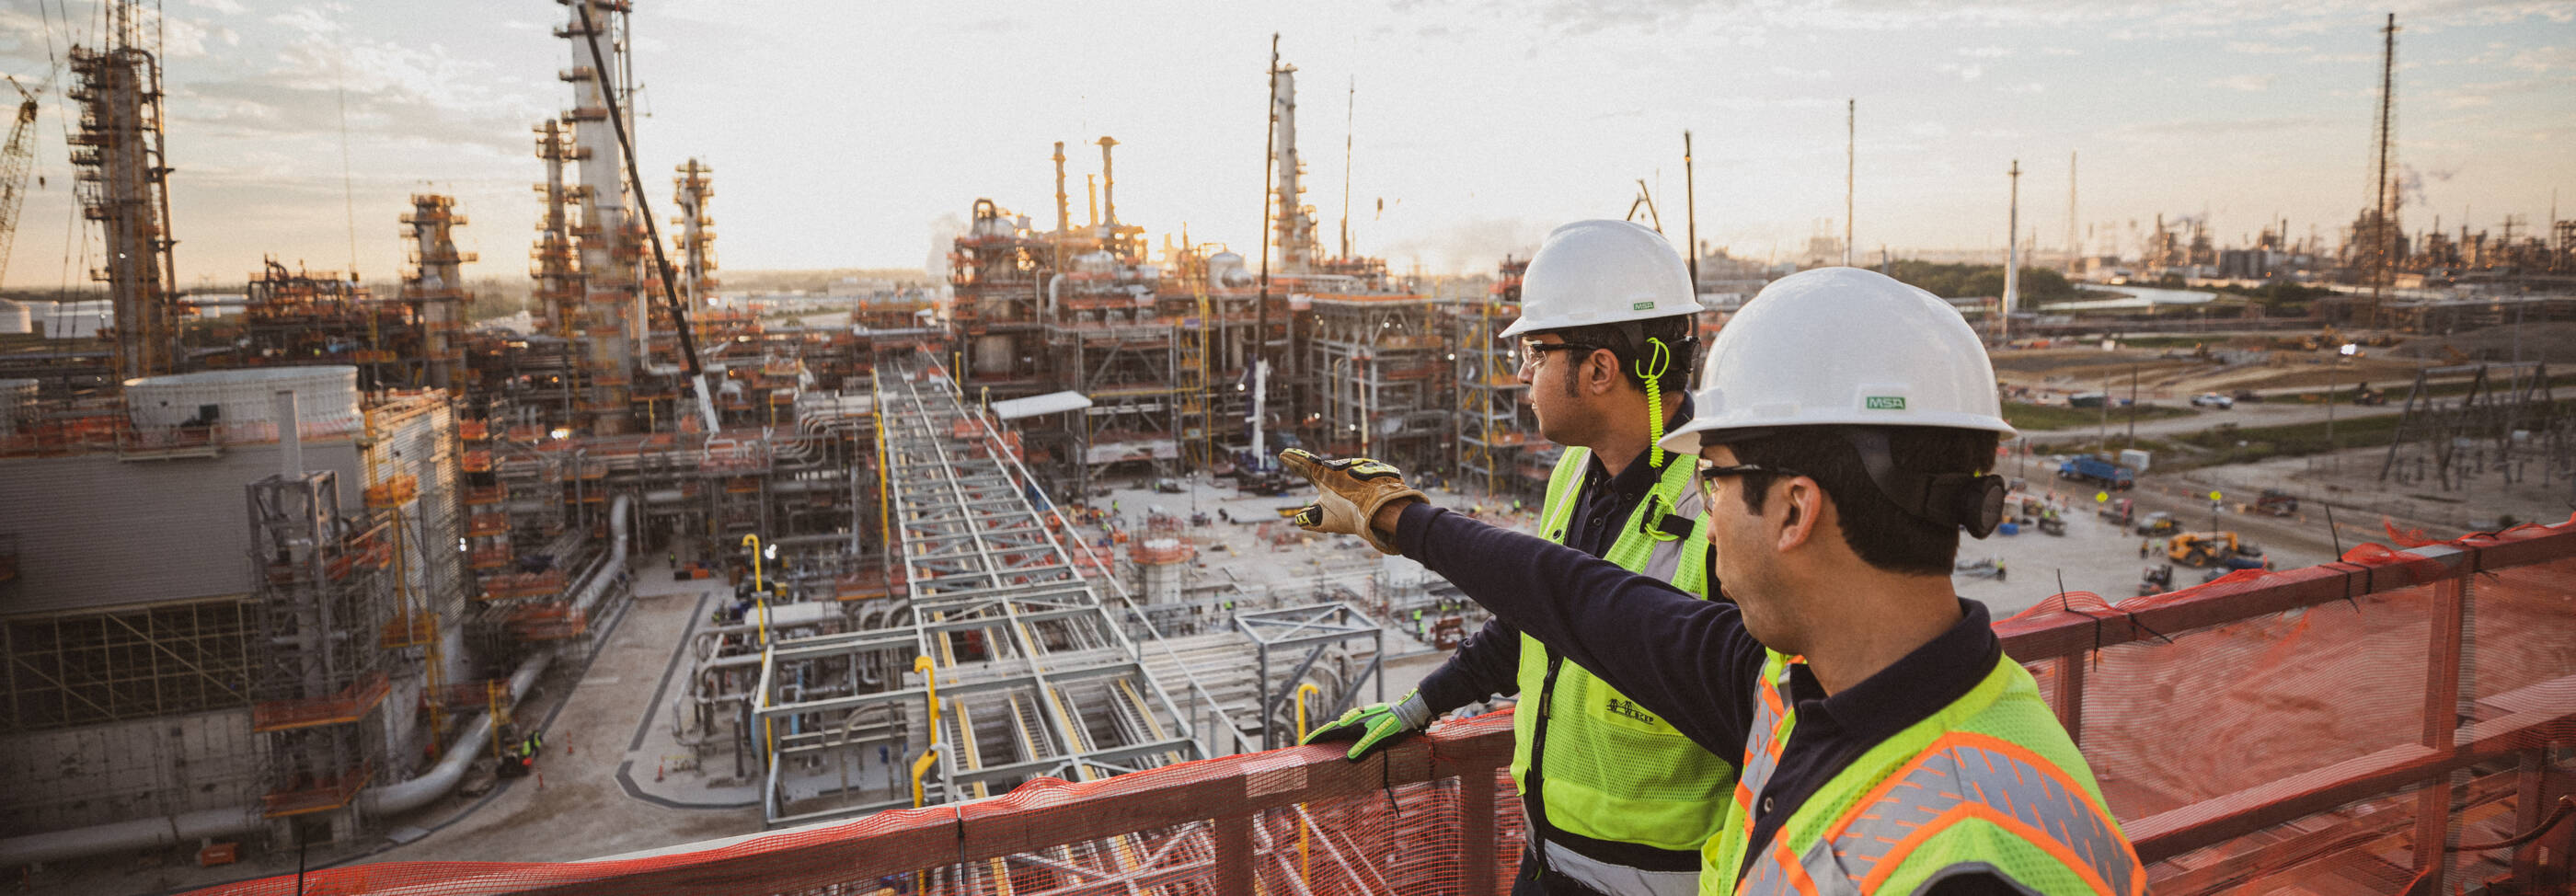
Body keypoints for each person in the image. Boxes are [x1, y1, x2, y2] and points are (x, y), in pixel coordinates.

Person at [1284, 267, 2142, 895]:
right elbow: (1579, 600)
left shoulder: (1967, 856)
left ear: (1794, 509)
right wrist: (1397, 519)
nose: (1704, 504)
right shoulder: (1789, 687)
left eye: (1716, 476)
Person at [1299, 220, 1729, 896]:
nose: (1522, 373)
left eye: (1535, 350)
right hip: (1547, 860)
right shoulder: (1575, 472)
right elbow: (1540, 615)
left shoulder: (1719, 512)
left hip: (1659, 882)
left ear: (1600, 369)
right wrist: (1422, 704)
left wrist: (1403, 522)